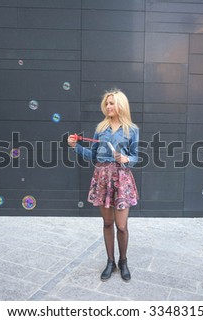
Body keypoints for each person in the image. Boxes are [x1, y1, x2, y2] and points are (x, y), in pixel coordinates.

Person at [68, 89, 139, 282]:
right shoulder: (100, 129)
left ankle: (123, 261)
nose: (108, 106)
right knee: (107, 223)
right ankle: (110, 261)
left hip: (122, 179)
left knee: (122, 226)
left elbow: (136, 156)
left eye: (112, 103)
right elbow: (92, 155)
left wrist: (126, 158)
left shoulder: (131, 129)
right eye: (107, 103)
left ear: (121, 105)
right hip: (102, 178)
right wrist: (76, 147)